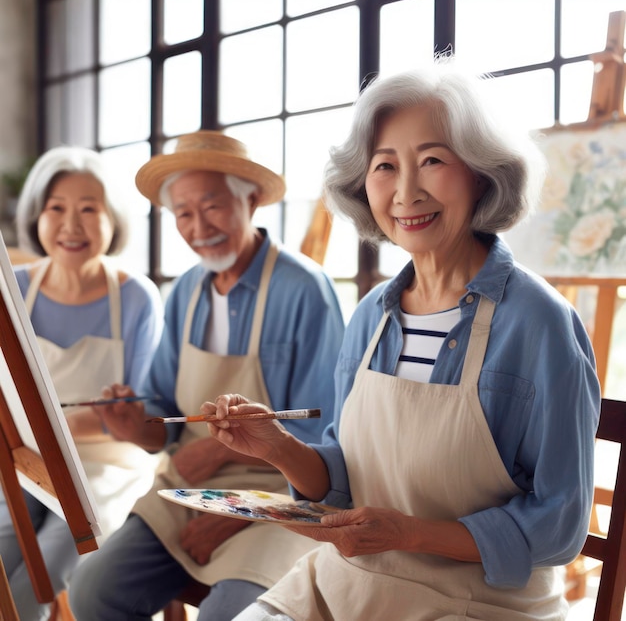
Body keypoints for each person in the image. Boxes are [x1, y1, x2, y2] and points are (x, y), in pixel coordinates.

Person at [200, 60, 602, 621]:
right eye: (385, 166)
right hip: (344, 583)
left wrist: (411, 534)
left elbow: (558, 525)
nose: (406, 190)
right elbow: (345, 478)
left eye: (433, 160)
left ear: (483, 173)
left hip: (477, 602)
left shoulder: (540, 323)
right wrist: (278, 448)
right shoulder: (371, 316)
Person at [68, 130, 346, 621]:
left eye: (213, 206)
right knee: (92, 591)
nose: (199, 227)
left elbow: (324, 435)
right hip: (187, 490)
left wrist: (232, 512)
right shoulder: (185, 292)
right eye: (183, 214)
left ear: (252, 199)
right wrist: (137, 425)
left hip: (281, 497)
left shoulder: (304, 289)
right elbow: (163, 409)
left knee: (227, 615)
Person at [0, 146, 164, 620]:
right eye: (57, 208)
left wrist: (42, 430)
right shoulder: (14, 287)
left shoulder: (136, 298)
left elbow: (136, 416)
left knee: (44, 569)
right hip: (24, 459)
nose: (71, 224)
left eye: (89, 209)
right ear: (37, 216)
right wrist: (31, 440)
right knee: (6, 552)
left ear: (113, 221)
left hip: (107, 470)